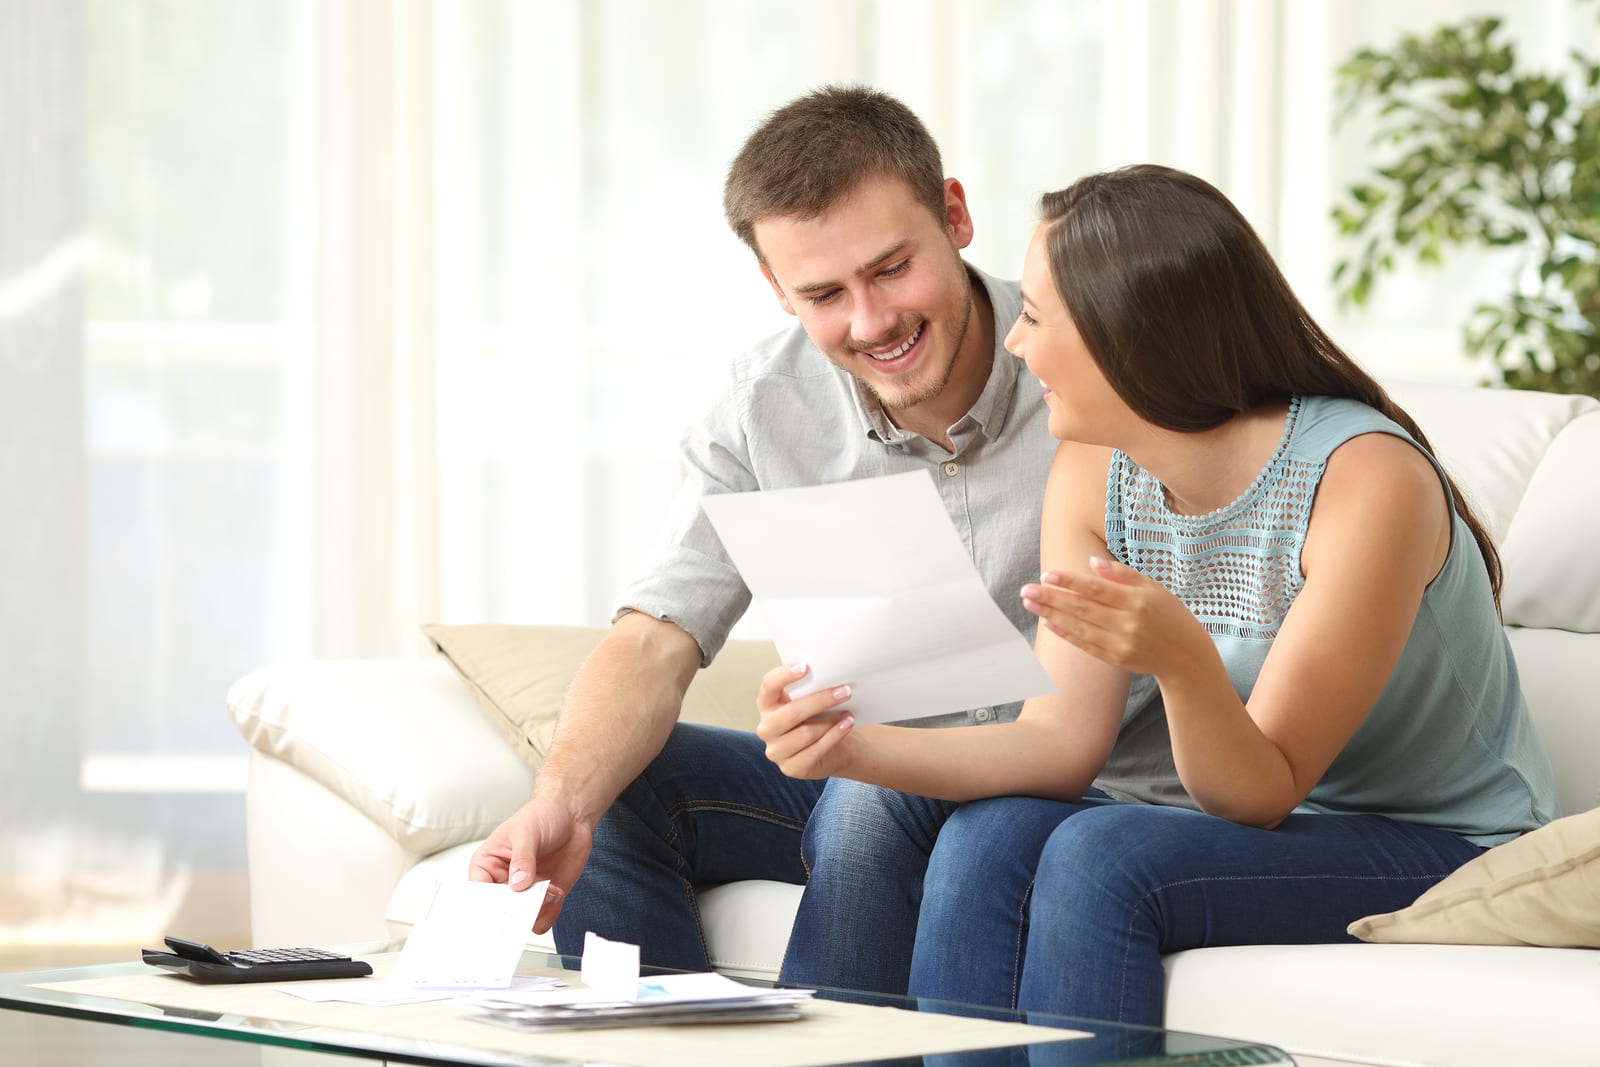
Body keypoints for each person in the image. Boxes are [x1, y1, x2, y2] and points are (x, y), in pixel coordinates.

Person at [754, 164, 1558, 1026]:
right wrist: (845, 747)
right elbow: (1058, 746)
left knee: (1102, 854)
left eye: (1032, 315)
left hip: (1441, 842)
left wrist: (1181, 662)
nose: (1015, 346)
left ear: (1128, 334)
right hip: (1276, 824)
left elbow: (1262, 790)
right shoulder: (1094, 469)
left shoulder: (1364, 479)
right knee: (989, 832)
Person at [466, 84, 1059, 994]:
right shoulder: (760, 405)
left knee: (871, 787)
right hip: (867, 783)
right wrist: (559, 801)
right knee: (616, 784)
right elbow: (656, 634)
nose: (871, 322)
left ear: (955, 213)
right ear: (775, 289)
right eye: (823, 293)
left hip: (1049, 782)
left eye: (892, 268)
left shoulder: (1084, 362)